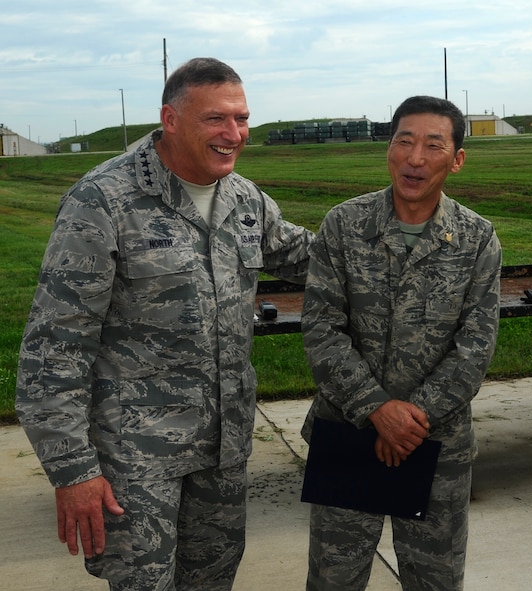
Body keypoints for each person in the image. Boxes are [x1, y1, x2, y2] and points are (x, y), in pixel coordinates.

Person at [15, 57, 315, 590]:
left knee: (212, 581)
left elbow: (307, 257)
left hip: (222, 449)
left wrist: (396, 228)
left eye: (242, 119)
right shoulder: (103, 201)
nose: (234, 134)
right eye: (216, 120)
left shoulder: (243, 198)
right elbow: (54, 349)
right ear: (170, 119)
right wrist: (72, 470)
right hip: (135, 458)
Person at [300, 95, 501, 590]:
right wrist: (375, 409)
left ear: (456, 160)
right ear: (387, 149)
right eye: (404, 142)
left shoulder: (476, 238)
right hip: (347, 433)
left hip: (434, 445)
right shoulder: (343, 226)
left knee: (434, 579)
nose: (415, 158)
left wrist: (411, 420)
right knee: (333, 579)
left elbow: (475, 347)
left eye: (433, 146)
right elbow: (322, 328)